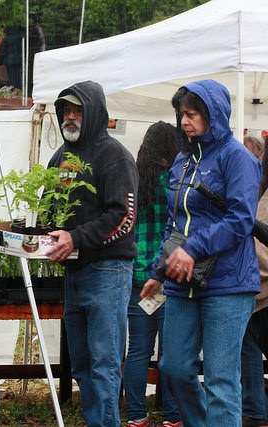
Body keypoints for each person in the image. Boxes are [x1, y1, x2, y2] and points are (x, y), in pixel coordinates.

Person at [141, 79, 261, 427]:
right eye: (181, 114)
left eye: (191, 114)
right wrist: (157, 272)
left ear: (214, 115)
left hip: (229, 283)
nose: (183, 122)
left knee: (222, 381)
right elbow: (172, 224)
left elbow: (240, 220)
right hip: (182, 282)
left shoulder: (238, 159)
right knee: (174, 368)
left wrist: (194, 248)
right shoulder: (181, 161)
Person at [46, 80, 138, 427]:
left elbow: (123, 217)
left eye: (77, 110)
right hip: (74, 273)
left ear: (93, 112)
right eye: (65, 110)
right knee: (83, 364)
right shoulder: (60, 158)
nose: (70, 116)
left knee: (104, 363)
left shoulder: (113, 155)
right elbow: (49, 212)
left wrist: (76, 238)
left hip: (108, 272)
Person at [124, 121, 181, 427]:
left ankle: (136, 416)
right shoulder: (175, 181)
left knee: (137, 352)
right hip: (169, 276)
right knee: (171, 353)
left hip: (137, 278)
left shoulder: (132, 180)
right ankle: (172, 417)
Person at [240, 141, 268, 427]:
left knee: (247, 347)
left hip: (259, 288)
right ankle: (254, 408)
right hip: (255, 286)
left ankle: (255, 409)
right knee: (247, 347)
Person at [0, 24, 22, 90]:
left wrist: (0, 62)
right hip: (19, 60)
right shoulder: (20, 37)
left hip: (9, 61)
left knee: (12, 78)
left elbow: (2, 51)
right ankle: (19, 91)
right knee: (19, 78)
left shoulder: (6, 38)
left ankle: (13, 91)